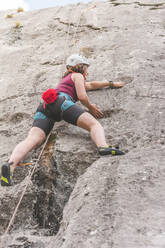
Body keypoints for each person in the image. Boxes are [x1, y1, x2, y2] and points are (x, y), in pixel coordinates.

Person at [1, 54, 125, 186]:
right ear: (81, 67)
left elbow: (92, 85)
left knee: (33, 139)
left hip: (44, 107)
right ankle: (103, 146)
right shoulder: (77, 76)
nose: (87, 72)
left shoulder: (66, 80)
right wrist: (90, 107)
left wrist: (111, 83)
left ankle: (11, 164)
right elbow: (82, 96)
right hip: (62, 103)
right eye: (86, 68)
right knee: (94, 125)